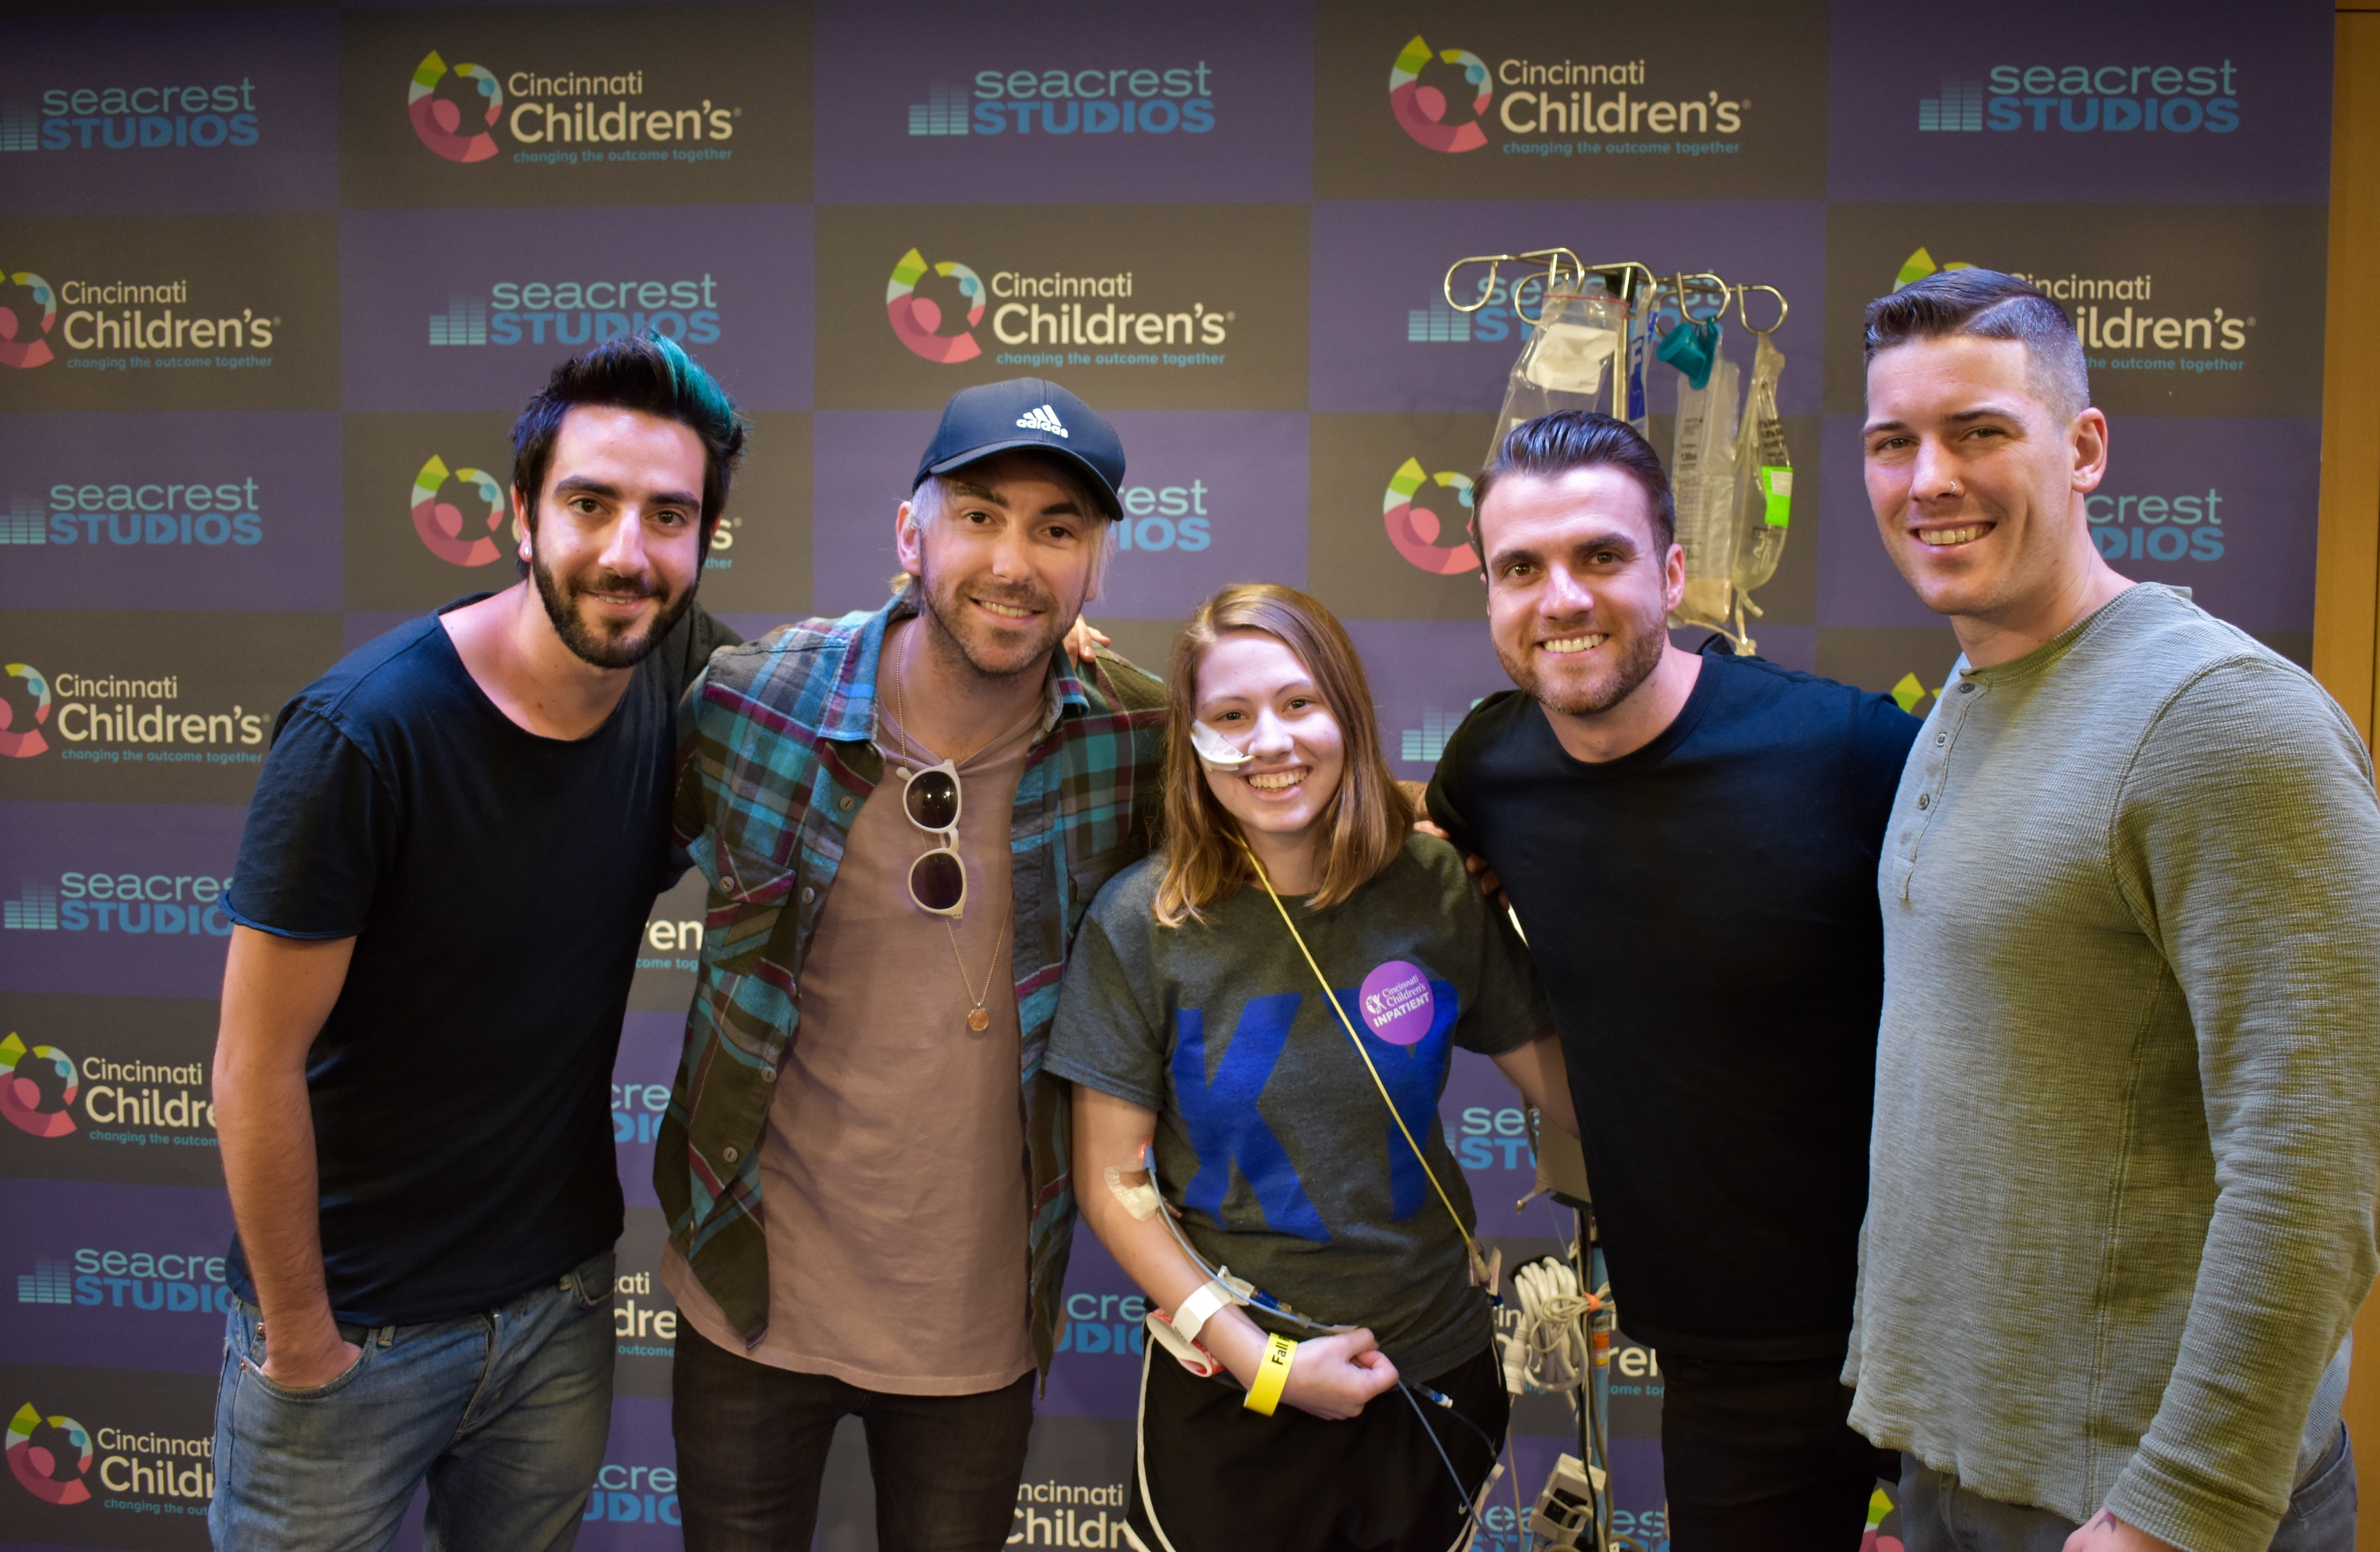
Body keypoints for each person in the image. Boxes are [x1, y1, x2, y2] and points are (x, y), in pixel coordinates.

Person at [1845, 267, 2380, 1552]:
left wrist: (2176, 1511)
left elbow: (2318, 1160)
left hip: (2138, 1504)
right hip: (1963, 1473)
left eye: (1979, 432)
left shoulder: (2223, 725)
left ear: (2083, 449)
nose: (1930, 481)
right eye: (1893, 443)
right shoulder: (1971, 696)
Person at [209, 334, 745, 1550]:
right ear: (519, 516)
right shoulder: (365, 738)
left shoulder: (683, 673)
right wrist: (302, 1342)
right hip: (352, 1332)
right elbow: (251, 1069)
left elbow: (858, 693)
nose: (626, 551)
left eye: (670, 515)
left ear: (705, 538)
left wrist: (1053, 657)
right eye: (590, 504)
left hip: (555, 1309)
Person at [655, 377, 1166, 1552]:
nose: (1015, 561)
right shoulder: (753, 706)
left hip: (978, 1327)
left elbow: (1295, 843)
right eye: (980, 515)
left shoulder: (1138, 741)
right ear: (909, 534)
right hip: (747, 1297)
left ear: (1096, 571)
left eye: (1058, 530)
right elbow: (580, 858)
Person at [1420, 411, 1920, 1547]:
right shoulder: (1492, 768)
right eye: (1522, 569)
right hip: (1729, 1351)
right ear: (1489, 591)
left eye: (1602, 556)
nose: (1563, 599)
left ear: (1674, 572)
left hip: (1946, 1322)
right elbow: (1394, 860)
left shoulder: (1847, 750)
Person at [1048, 582, 1576, 1552]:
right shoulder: (1142, 922)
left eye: (1299, 703)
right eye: (1232, 716)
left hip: (1433, 1368)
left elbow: (1573, 1096)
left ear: (1347, 711)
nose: (1271, 742)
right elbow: (1112, 1182)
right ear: (1194, 740)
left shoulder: (1438, 887)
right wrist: (1263, 1364)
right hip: (1230, 1384)